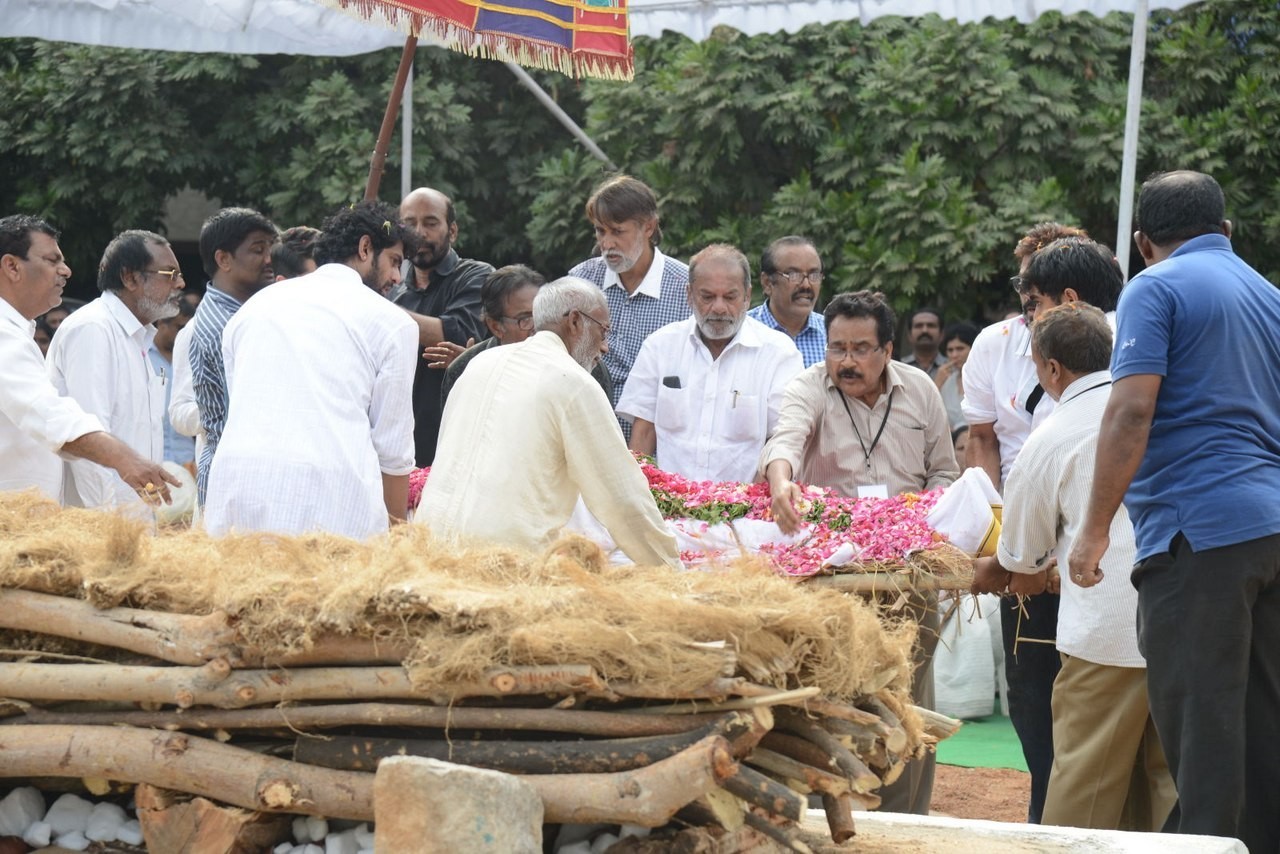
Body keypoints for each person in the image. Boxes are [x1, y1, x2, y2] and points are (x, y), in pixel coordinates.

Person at [1070, 171, 1280, 852]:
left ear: (1142, 242)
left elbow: (1131, 409)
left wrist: (1093, 531)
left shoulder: (1153, 286)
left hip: (1200, 533)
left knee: (1201, 728)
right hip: (1270, 529)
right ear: (1227, 231)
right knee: (1264, 729)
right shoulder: (1270, 296)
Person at [973, 303, 1175, 831]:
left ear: (1052, 368)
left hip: (1105, 635)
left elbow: (1022, 563)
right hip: (1179, 622)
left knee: (1084, 787)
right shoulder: (1162, 406)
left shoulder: (1051, 436)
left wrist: (989, 570)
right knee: (1166, 787)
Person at [760, 290, 958, 816]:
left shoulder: (920, 390)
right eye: (837, 348)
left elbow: (944, 472)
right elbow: (784, 441)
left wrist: (919, 517)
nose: (846, 361)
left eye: (860, 349)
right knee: (828, 698)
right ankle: (828, 820)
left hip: (907, 575)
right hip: (833, 578)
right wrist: (781, 482)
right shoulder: (809, 386)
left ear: (888, 350)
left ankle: (904, 824)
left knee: (907, 702)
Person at [961, 220, 1087, 823]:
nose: (1028, 298)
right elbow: (983, 439)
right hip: (1022, 542)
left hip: (1091, 543)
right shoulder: (994, 344)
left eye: (1039, 289)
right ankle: (1043, 810)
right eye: (1023, 285)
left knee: (1090, 687)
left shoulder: (1114, 342)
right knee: (1031, 691)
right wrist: (998, 534)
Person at [421, 277, 680, 569]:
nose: (605, 347)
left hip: (427, 551)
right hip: (501, 565)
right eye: (603, 331)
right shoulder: (573, 382)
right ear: (574, 321)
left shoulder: (479, 363)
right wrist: (670, 570)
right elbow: (622, 497)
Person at [204, 201, 418, 541]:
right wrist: (397, 544)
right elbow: (393, 452)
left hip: (235, 496)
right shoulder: (393, 323)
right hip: (330, 509)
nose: (397, 277)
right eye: (394, 261)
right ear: (365, 248)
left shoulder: (253, 308)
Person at [0, 215, 176, 504]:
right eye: (52, 260)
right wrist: (123, 459)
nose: (66, 270)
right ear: (12, 267)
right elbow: (50, 415)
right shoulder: (88, 328)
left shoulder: (17, 333)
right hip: (17, 518)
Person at [618, 244, 802, 483]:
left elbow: (781, 441)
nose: (719, 308)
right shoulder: (660, 346)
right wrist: (637, 495)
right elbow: (643, 435)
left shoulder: (779, 353)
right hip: (667, 501)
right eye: (707, 297)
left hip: (747, 502)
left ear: (747, 296)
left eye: (730, 297)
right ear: (689, 294)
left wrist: (750, 501)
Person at [47, 229, 185, 513]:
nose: (180, 283)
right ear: (130, 278)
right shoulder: (93, 329)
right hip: (102, 522)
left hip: (133, 518)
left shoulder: (138, 337)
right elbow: (88, 439)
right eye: (170, 274)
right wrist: (107, 522)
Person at [568, 175, 690, 421]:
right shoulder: (580, 281)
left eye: (617, 231)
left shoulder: (686, 289)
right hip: (588, 427)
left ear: (649, 227)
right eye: (600, 231)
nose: (607, 243)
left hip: (659, 435)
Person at [393, 187, 491, 467]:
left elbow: (455, 333)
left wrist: (379, 310)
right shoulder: (394, 294)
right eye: (409, 224)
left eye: (431, 223)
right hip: (403, 449)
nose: (419, 233)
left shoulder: (476, 275)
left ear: (453, 231)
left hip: (459, 448)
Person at [188, 207, 278, 503]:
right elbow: (252, 418)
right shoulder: (227, 326)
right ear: (223, 259)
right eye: (258, 250)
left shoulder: (243, 314)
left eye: (270, 248)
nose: (269, 259)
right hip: (239, 482)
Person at [747, 236, 826, 367]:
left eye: (814, 275)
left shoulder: (833, 335)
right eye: (794, 275)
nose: (806, 285)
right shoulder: (743, 334)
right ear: (767, 283)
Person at [146, 299, 196, 470]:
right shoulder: (142, 355)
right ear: (161, 323)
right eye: (179, 327)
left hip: (187, 458)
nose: (185, 333)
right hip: (149, 458)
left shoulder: (192, 358)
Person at [935, 321, 979, 430]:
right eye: (950, 350)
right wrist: (937, 384)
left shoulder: (986, 379)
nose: (954, 355)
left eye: (960, 349)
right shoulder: (945, 380)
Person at [900, 307, 946, 376]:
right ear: (909, 335)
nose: (925, 330)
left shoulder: (954, 368)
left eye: (931, 326)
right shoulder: (898, 367)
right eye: (918, 326)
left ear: (941, 335)